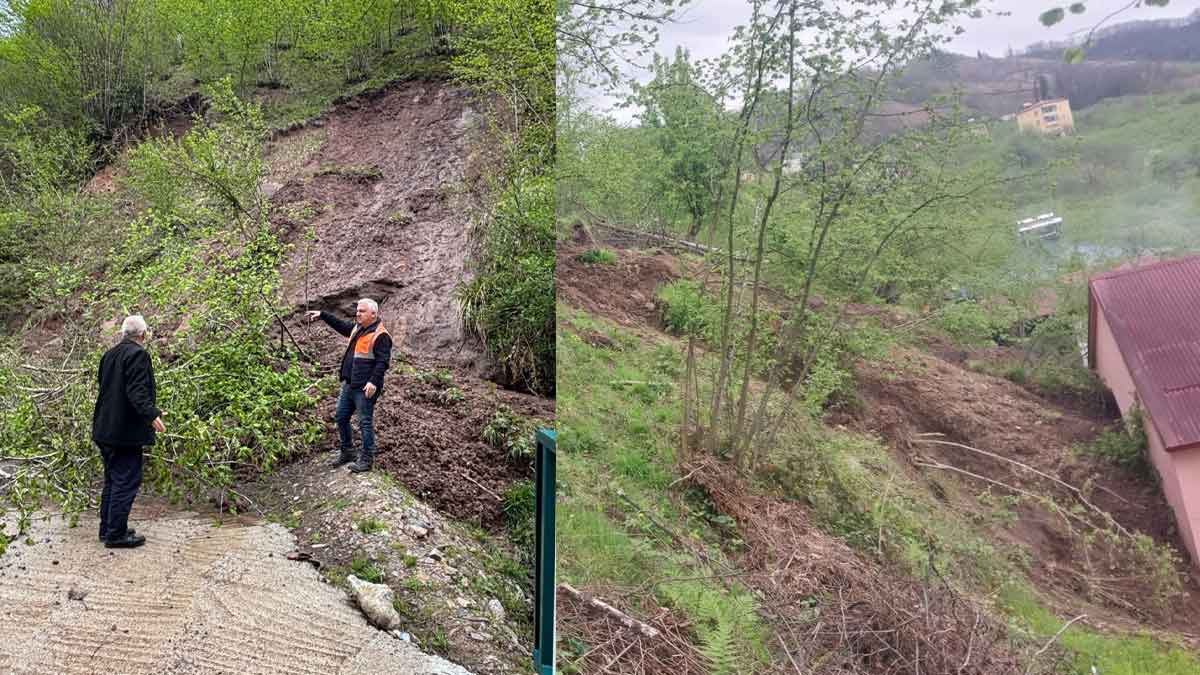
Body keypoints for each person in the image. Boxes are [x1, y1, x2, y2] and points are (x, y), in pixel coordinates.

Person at [91, 315, 165, 549]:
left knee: (113, 480)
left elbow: (105, 387)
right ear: (143, 335)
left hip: (104, 428)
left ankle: (109, 528)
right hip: (123, 432)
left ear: (123, 333)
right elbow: (137, 391)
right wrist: (152, 415)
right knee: (126, 480)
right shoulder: (138, 355)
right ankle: (116, 535)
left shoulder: (109, 355)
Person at [306, 298, 393, 473]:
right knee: (341, 416)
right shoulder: (358, 329)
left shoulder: (380, 335)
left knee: (364, 422)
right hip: (350, 384)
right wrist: (323, 315)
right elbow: (341, 326)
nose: (358, 314)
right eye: (358, 310)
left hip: (365, 387)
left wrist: (373, 382)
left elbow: (382, 362)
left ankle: (367, 460)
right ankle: (348, 451)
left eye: (362, 311)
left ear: (373, 314)